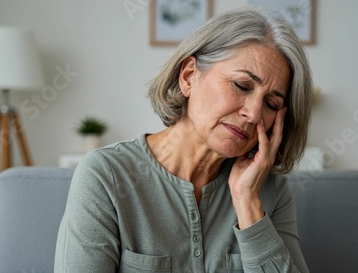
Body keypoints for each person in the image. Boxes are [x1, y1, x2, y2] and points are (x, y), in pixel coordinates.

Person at [55, 5, 312, 273]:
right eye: (241, 85)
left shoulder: (269, 190)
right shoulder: (105, 175)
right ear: (189, 76)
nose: (253, 113)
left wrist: (247, 202)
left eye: (271, 103)